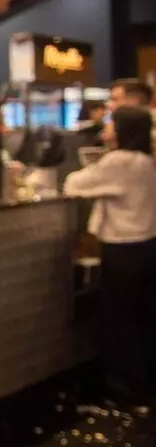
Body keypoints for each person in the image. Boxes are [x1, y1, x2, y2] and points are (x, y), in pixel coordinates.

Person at [64, 106, 156, 414]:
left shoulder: (118, 161)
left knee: (120, 321)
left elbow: (73, 184)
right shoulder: (147, 160)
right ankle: (143, 386)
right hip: (148, 246)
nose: (106, 127)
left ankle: (124, 393)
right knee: (142, 318)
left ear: (123, 129)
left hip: (123, 250)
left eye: (111, 123)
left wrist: (98, 161)